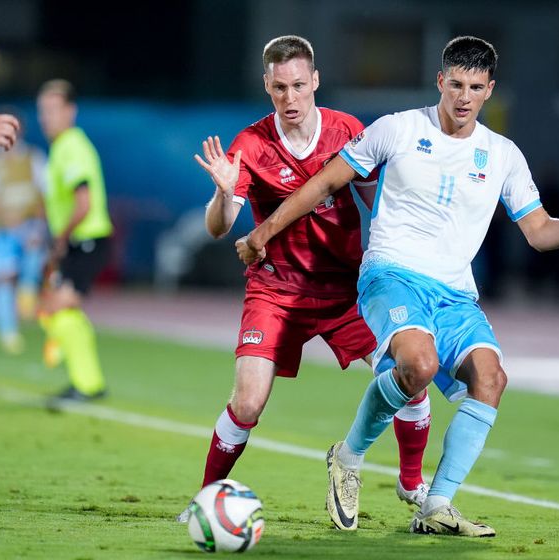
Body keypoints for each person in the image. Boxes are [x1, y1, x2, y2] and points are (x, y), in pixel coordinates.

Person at [242, 36, 559, 536]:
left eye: (476, 87)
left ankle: (436, 505)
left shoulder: (502, 154)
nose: (464, 96)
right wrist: (264, 230)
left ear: (489, 91)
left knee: (491, 378)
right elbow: (325, 183)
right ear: (440, 81)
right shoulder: (396, 130)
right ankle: (347, 458)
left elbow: (540, 231)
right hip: (390, 275)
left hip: (455, 293)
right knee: (418, 364)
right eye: (456, 83)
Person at [177, 35, 432, 523]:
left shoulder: (346, 130)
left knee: (412, 375)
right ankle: (206, 502)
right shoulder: (251, 144)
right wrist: (223, 193)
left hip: (345, 288)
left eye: (298, 85)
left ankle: (413, 483)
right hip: (276, 289)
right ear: (266, 86)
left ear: (314, 81)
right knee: (248, 402)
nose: (290, 98)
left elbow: (377, 200)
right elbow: (220, 228)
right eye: (279, 88)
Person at [36, 79, 113, 403]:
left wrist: (60, 238)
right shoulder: (62, 147)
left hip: (87, 241)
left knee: (53, 308)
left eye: (53, 110)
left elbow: (83, 203)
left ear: (70, 111)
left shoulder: (70, 146)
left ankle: (86, 383)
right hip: (79, 242)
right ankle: (87, 381)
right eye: (43, 111)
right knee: (59, 312)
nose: (46, 118)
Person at [0, 111, 48, 354]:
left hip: (27, 226)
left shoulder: (34, 159)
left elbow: (43, 196)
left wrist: (36, 223)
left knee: (34, 254)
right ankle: (7, 332)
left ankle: (28, 286)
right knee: (0, 279)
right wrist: (6, 219)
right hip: (1, 229)